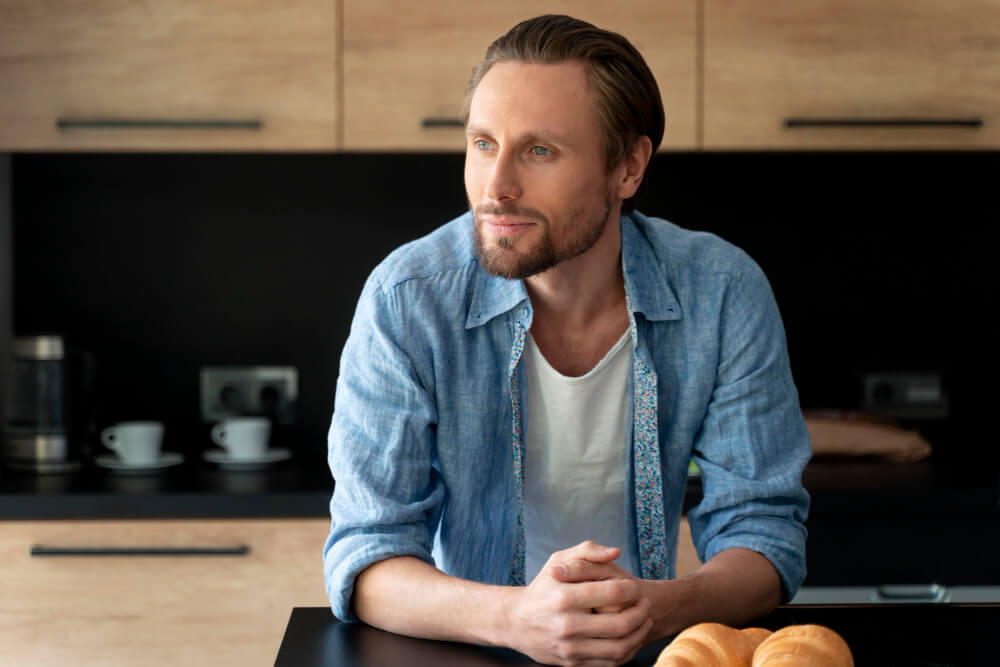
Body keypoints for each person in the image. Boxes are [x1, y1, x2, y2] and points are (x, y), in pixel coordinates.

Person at [324, 14, 810, 667]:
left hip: (652, 651)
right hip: (465, 647)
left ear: (629, 166)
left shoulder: (721, 292)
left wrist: (655, 608)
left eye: (540, 150)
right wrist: (515, 617)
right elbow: (367, 556)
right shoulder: (407, 299)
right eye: (483, 144)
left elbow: (766, 533)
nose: (495, 188)